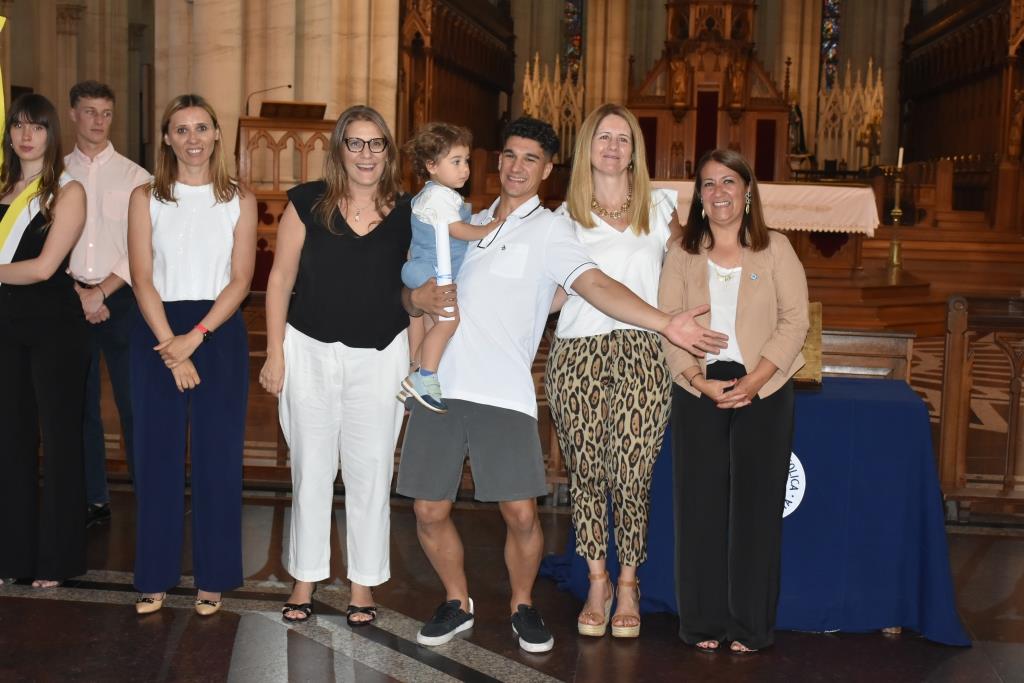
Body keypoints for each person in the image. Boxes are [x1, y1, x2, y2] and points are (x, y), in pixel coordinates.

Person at [397, 116, 726, 653]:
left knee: (522, 514)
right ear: (494, 161)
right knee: (428, 509)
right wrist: (415, 306)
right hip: (442, 386)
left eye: (531, 159)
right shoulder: (464, 223)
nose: (517, 166)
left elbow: (593, 284)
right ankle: (457, 601)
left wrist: (666, 322)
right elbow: (418, 283)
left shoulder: (553, 229)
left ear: (549, 170)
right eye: (509, 155)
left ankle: (523, 606)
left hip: (503, 390)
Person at [258, 105, 411, 627]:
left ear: (388, 151)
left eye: (376, 144)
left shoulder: (410, 213)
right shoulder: (306, 203)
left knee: (370, 473)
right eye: (356, 143)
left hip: (382, 353)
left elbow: (419, 289)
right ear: (339, 149)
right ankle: (305, 578)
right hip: (309, 349)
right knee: (312, 468)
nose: (366, 154)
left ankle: (363, 585)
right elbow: (279, 280)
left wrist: (423, 362)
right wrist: (275, 352)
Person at [657, 148, 809, 653]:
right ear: (698, 197)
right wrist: (699, 382)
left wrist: (758, 378)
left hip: (763, 386)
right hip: (699, 388)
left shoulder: (777, 249)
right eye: (707, 184)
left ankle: (749, 626)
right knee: (698, 507)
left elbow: (795, 322)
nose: (718, 192)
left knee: (757, 511)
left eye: (728, 182)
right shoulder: (682, 255)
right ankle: (701, 623)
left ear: (747, 191)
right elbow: (667, 323)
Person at [545, 103, 681, 639]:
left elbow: (692, 270)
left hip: (645, 350)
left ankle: (629, 581)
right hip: (578, 352)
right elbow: (549, 296)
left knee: (633, 470)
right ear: (587, 147)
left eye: (623, 138)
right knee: (588, 471)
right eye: (603, 137)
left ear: (635, 151)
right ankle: (596, 580)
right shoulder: (562, 218)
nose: (613, 146)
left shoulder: (661, 206)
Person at [128, 94, 256, 615]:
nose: (193, 139)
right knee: (155, 458)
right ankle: (154, 575)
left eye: (202, 127)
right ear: (166, 138)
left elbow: (243, 280)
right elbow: (140, 278)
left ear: (217, 134)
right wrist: (173, 350)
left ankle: (214, 576)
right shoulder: (145, 197)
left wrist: (196, 337)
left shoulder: (239, 199)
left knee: (217, 459)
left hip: (217, 331)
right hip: (157, 329)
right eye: (181, 130)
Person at [0, 94, 89, 588]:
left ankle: (57, 559)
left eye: (36, 126)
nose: (25, 135)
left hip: (54, 327)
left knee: (58, 443)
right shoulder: (0, 187)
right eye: (17, 125)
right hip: (3, 326)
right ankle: (11, 556)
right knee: (8, 442)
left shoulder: (66, 191)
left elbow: (43, 267)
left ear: (52, 134)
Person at [65, 80, 151, 528]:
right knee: (80, 406)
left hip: (123, 300)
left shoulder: (137, 177)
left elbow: (142, 247)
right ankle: (93, 498)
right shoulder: (54, 175)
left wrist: (103, 291)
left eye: (106, 113)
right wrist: (79, 292)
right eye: (90, 111)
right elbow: (45, 243)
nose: (99, 121)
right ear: (73, 114)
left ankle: (147, 493)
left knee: (134, 403)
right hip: (68, 300)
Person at [399, 121, 489, 412]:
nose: (465, 169)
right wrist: (490, 229)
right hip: (430, 269)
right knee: (449, 322)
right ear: (432, 165)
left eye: (466, 161)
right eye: (456, 162)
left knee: (432, 325)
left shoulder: (439, 193)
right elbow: (459, 231)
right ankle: (426, 377)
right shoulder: (438, 196)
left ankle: (415, 376)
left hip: (426, 267)